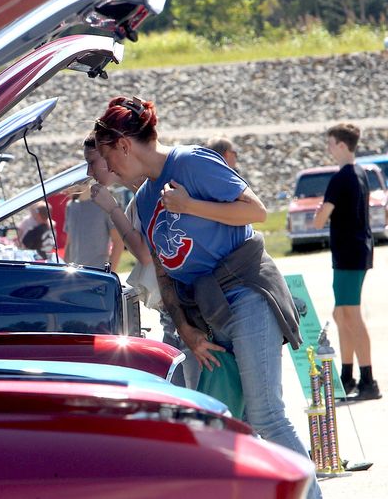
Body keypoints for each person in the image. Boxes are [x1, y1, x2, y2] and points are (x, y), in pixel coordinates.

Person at [89, 95, 321, 498]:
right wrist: (185, 330)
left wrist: (188, 204)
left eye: (109, 156)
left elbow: (255, 211)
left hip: (245, 294)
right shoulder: (144, 198)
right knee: (226, 422)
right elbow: (162, 270)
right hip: (204, 318)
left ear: (125, 145)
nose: (108, 167)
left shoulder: (191, 162)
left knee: (266, 416)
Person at [84, 133, 200, 389]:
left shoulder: (150, 191)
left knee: (192, 395)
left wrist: (112, 209)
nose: (90, 171)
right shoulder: (140, 195)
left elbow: (146, 254)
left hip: (188, 310)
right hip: (172, 310)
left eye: (94, 161)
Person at [312, 123, 380, 401]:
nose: (328, 148)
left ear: (341, 145)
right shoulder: (361, 172)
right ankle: (347, 375)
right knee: (341, 315)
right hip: (353, 252)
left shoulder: (341, 177)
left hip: (350, 254)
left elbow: (319, 220)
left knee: (351, 315)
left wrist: (320, 210)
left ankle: (368, 380)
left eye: (330, 143)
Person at [64, 181, 122, 270]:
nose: (64, 191)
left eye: (66, 186)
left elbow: (118, 242)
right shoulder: (70, 206)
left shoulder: (104, 203)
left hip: (98, 273)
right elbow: (69, 242)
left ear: (77, 183)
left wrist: (109, 274)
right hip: (75, 274)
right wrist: (64, 270)